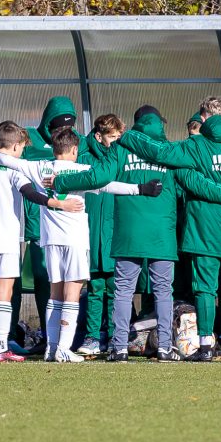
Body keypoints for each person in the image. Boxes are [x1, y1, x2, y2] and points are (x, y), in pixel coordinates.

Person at [54, 106, 221, 363]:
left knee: (123, 290)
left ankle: (119, 347)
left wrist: (61, 182)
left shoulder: (121, 148)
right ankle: (165, 347)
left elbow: (99, 176)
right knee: (164, 291)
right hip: (162, 235)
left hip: (128, 233)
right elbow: (194, 184)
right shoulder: (170, 152)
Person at [0, 127, 160, 362]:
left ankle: (52, 347)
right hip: (74, 241)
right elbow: (110, 185)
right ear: (75, 149)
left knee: (55, 295)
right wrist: (141, 189)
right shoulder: (82, 170)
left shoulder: (38, 167)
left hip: (50, 241)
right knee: (72, 294)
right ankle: (64, 349)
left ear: (55, 148)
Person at [118, 99, 221, 363]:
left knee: (205, 289)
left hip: (203, 233)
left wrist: (126, 137)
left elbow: (158, 152)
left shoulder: (195, 146)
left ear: (205, 123)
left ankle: (205, 347)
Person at [0, 96, 87, 346]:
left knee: (44, 284)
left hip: (53, 228)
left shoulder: (74, 144)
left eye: (67, 125)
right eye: (56, 125)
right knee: (11, 286)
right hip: (28, 226)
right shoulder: (27, 140)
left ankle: (45, 339)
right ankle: (4, 338)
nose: (60, 130)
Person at [77, 114, 124, 356]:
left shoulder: (121, 158)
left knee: (116, 288)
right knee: (95, 288)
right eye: (112, 137)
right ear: (99, 136)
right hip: (91, 234)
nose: (116, 141)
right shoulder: (83, 160)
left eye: (119, 137)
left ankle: (117, 336)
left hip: (115, 235)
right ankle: (93, 336)